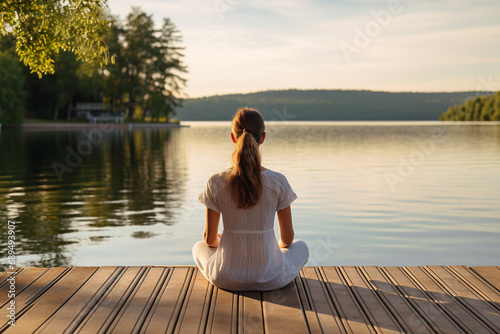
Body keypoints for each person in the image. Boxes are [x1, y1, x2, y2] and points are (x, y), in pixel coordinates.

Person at [192, 107, 309, 291]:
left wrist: (223, 242)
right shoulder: (278, 181)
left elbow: (209, 240)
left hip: (225, 278)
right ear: (262, 137)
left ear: (233, 137)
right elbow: (287, 239)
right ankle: (269, 262)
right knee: (302, 247)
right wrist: (271, 250)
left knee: (198, 247)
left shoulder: (216, 182)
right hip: (272, 278)